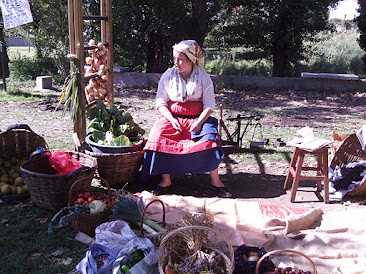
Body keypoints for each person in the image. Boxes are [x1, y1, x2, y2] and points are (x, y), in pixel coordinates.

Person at [141, 40, 232, 198]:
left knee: (210, 140)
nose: (176, 63)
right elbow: (160, 102)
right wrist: (171, 119)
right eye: (174, 58)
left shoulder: (203, 77)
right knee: (158, 137)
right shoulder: (168, 76)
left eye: (180, 59)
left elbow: (209, 105)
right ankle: (165, 180)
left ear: (191, 60)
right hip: (172, 118)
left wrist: (199, 122)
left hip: (198, 119)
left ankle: (215, 180)